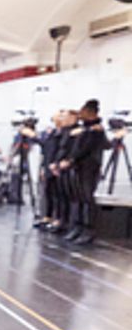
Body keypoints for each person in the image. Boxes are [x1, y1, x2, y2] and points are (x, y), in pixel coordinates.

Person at [62, 99, 109, 244]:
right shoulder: (85, 129)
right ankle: (78, 226)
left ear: (90, 113)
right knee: (78, 197)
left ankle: (88, 229)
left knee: (87, 198)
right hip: (79, 167)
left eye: (83, 111)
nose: (80, 114)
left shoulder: (96, 130)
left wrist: (71, 160)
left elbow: (87, 148)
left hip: (90, 167)